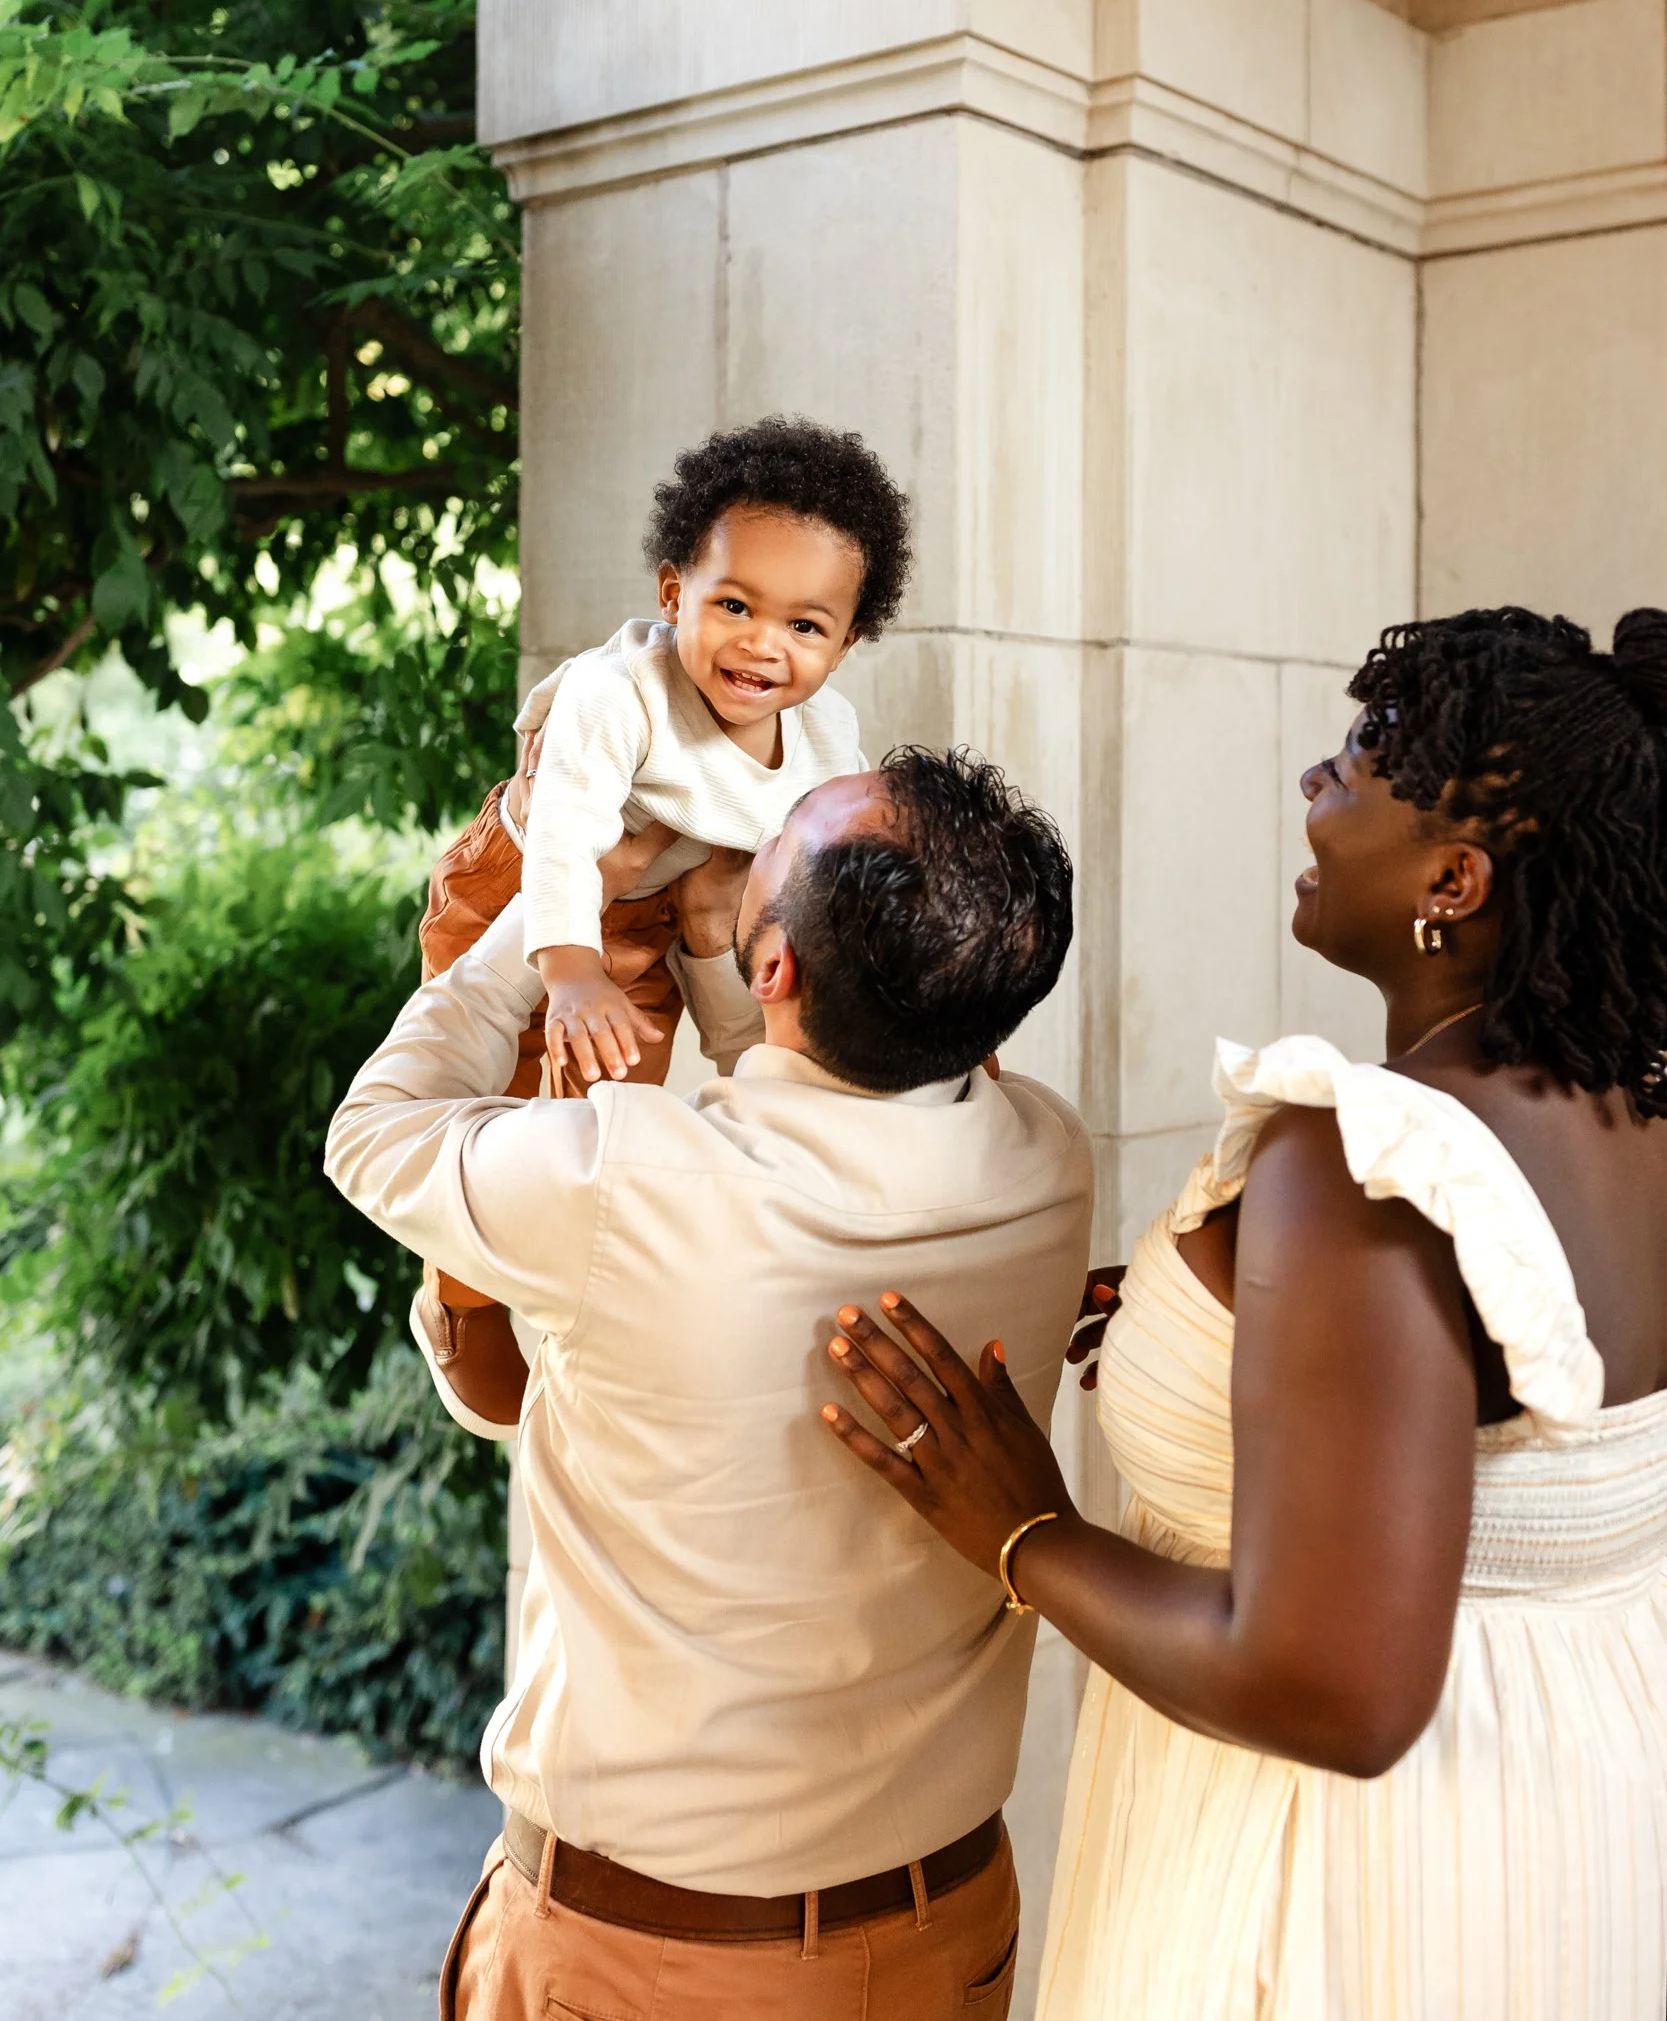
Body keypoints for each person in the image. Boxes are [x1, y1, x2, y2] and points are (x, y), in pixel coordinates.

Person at [822, 606, 1667, 2021]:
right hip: (1565, 1827)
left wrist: (1021, 1531)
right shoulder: (1627, 1111)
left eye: (1363, 755)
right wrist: (1197, 1324)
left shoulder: (1359, 1161)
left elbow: (1333, 1688)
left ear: (1452, 879)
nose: (1314, 781)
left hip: (1351, 1884)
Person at [324, 746, 1093, 2021]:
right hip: (946, 1927)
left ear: (776, 965)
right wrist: (714, 954)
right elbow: (826, 1115)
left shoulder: (624, 1182)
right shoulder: (1047, 1157)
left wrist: (548, 911)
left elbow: (372, 1133)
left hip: (658, 1968)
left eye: (782, 832)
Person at [414, 413, 911, 1419]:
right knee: (489, 1090)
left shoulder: (826, 734)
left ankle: (563, 1297)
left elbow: (840, 863)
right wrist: (567, 969)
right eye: (733, 605)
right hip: (526, 887)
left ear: (849, 640)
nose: (761, 644)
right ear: (674, 592)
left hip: (653, 925)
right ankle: (458, 1302)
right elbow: (564, 838)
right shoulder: (618, 693)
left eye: (805, 626)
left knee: (604, 1116)